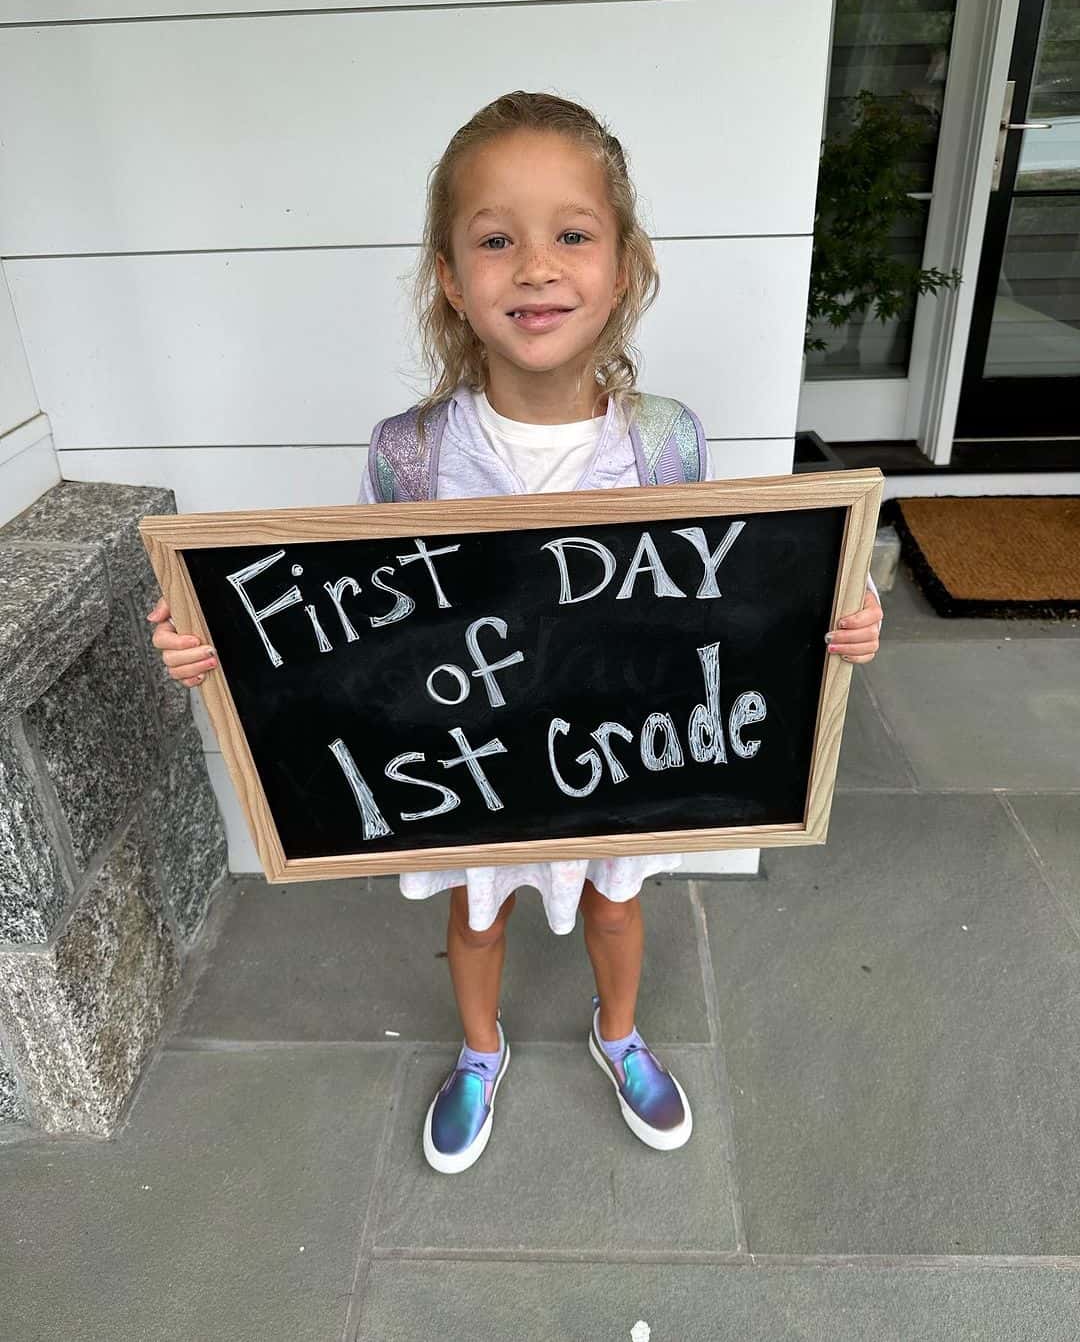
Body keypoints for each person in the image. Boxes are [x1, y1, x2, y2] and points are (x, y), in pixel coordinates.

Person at [148, 91, 883, 1176]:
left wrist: (834, 616)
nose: (536, 268)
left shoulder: (666, 441)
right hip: (472, 761)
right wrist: (221, 650)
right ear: (451, 276)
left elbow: (719, 592)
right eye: (497, 240)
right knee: (477, 916)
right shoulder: (408, 454)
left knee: (619, 900)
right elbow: (351, 621)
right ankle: (481, 1050)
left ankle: (618, 1033)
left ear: (622, 265)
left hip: (621, 756)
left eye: (572, 235)